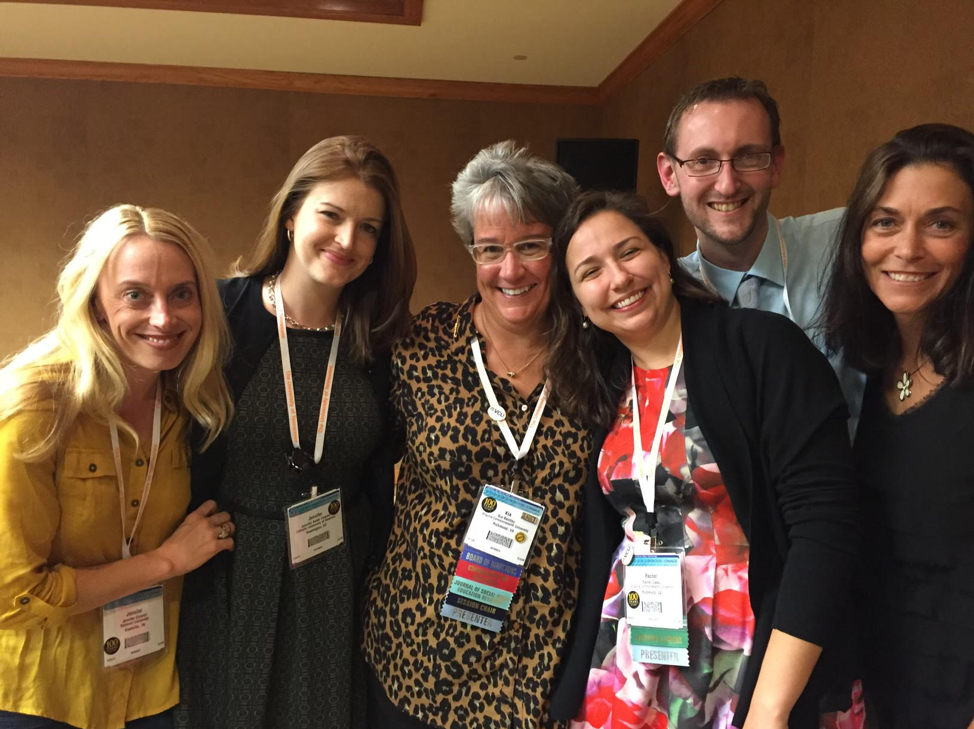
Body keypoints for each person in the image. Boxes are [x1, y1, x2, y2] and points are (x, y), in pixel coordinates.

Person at [546, 191, 865, 729]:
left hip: (756, 658)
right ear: (577, 300)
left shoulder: (761, 349)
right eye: (590, 271)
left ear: (664, 258)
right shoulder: (600, 386)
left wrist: (771, 708)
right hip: (636, 652)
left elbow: (826, 527)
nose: (618, 279)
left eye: (629, 252)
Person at [175, 136, 416, 729]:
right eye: (331, 215)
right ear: (290, 216)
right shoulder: (220, 314)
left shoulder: (380, 340)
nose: (347, 240)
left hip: (335, 576)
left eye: (368, 228)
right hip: (230, 573)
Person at [362, 141, 592, 729]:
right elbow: (366, 467)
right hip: (416, 654)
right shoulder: (423, 345)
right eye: (490, 249)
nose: (509, 270)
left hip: (542, 670)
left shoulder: (597, 358)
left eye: (531, 245)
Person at [0, 205, 235, 729]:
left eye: (181, 294)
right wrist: (166, 562)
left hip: (149, 690)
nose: (163, 318)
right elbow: (12, 596)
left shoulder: (187, 407)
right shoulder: (36, 409)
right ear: (97, 305)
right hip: (44, 695)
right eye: (135, 295)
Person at [822, 123, 974, 729]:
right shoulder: (872, 366)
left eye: (941, 224)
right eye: (885, 222)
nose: (907, 249)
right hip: (882, 695)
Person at [657, 76, 865, 433]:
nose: (727, 184)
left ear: (776, 165)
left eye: (749, 157)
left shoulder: (847, 244)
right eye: (703, 160)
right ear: (669, 174)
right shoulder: (664, 294)